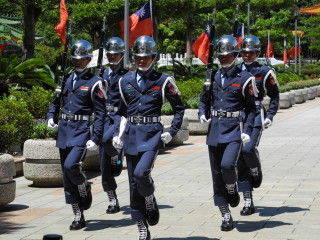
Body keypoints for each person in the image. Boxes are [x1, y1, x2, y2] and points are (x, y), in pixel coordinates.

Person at [117, 36, 185, 240]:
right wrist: (116, 134)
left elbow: (179, 109)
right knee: (132, 183)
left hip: (152, 135)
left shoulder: (163, 81)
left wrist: (171, 132)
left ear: (153, 58)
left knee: (140, 174)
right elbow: (120, 112)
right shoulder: (125, 81)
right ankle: (141, 226)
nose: (141, 60)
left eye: (146, 57)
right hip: (131, 136)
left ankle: (149, 197)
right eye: (138, 57)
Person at [198, 35, 257, 231]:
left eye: (228, 55)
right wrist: (201, 113)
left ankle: (232, 187)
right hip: (215, 129)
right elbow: (203, 99)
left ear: (235, 55)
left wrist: (247, 130)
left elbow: (251, 108)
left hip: (233, 129)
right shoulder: (212, 75)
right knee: (216, 175)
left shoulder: (245, 78)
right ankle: (225, 215)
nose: (224, 58)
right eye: (221, 55)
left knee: (227, 165)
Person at [47, 40, 105, 230]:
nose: (77, 62)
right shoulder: (65, 78)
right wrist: (50, 117)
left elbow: (101, 113)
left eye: (81, 59)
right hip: (64, 131)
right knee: (66, 173)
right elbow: (56, 101)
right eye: (75, 59)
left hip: (81, 132)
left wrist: (95, 137)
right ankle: (78, 214)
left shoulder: (95, 82)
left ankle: (83, 186)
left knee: (71, 166)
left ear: (88, 59)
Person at [237, 35, 279, 215]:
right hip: (237, 117)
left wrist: (270, 115)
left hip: (254, 115)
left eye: (251, 53)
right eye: (244, 53)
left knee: (247, 150)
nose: (247, 56)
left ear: (257, 53)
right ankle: (248, 200)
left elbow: (274, 95)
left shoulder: (264, 71)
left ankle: (255, 168)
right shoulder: (235, 70)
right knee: (239, 158)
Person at [99, 37, 129, 214]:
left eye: (115, 54)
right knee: (104, 167)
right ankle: (112, 198)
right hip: (103, 118)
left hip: (119, 117)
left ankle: (116, 155)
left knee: (107, 140)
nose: (112, 57)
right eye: (109, 54)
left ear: (121, 55)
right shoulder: (101, 74)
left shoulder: (126, 76)